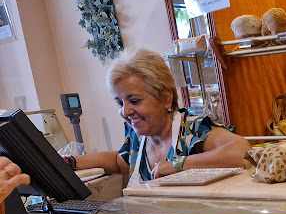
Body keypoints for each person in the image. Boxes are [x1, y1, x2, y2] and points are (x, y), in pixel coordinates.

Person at [66, 49, 249, 183]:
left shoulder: (192, 130)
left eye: (135, 100)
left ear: (166, 98)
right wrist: (68, 163)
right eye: (120, 103)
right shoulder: (139, 139)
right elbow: (117, 160)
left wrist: (178, 164)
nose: (125, 111)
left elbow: (241, 152)